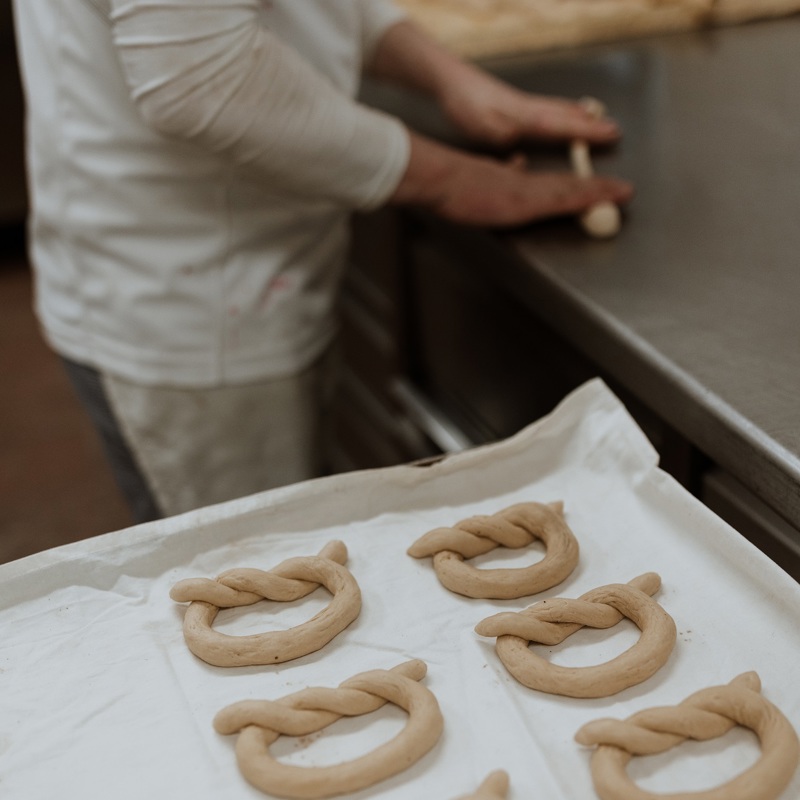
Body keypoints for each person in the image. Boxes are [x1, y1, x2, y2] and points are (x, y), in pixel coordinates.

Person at [12, 0, 632, 523]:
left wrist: (453, 79)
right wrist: (452, 181)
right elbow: (194, 74)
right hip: (189, 300)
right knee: (253, 601)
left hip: (249, 261)